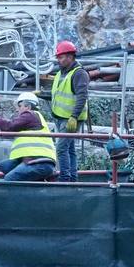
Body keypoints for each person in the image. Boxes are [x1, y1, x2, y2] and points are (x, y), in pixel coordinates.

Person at [0, 91, 57, 182]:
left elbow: (9, 126)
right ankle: (35, 183)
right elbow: (7, 130)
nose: (17, 110)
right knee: (4, 165)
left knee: (10, 178)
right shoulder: (33, 119)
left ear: (27, 107)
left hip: (38, 163)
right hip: (36, 162)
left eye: (19, 106)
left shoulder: (29, 115)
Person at [48, 40, 89, 182]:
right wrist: (41, 94)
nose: (59, 60)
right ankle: (72, 178)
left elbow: (82, 96)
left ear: (70, 57)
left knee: (61, 148)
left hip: (70, 119)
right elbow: (59, 93)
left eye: (61, 57)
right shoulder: (62, 73)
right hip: (60, 117)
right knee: (69, 149)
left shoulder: (79, 73)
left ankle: (65, 178)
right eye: (58, 57)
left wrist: (74, 116)